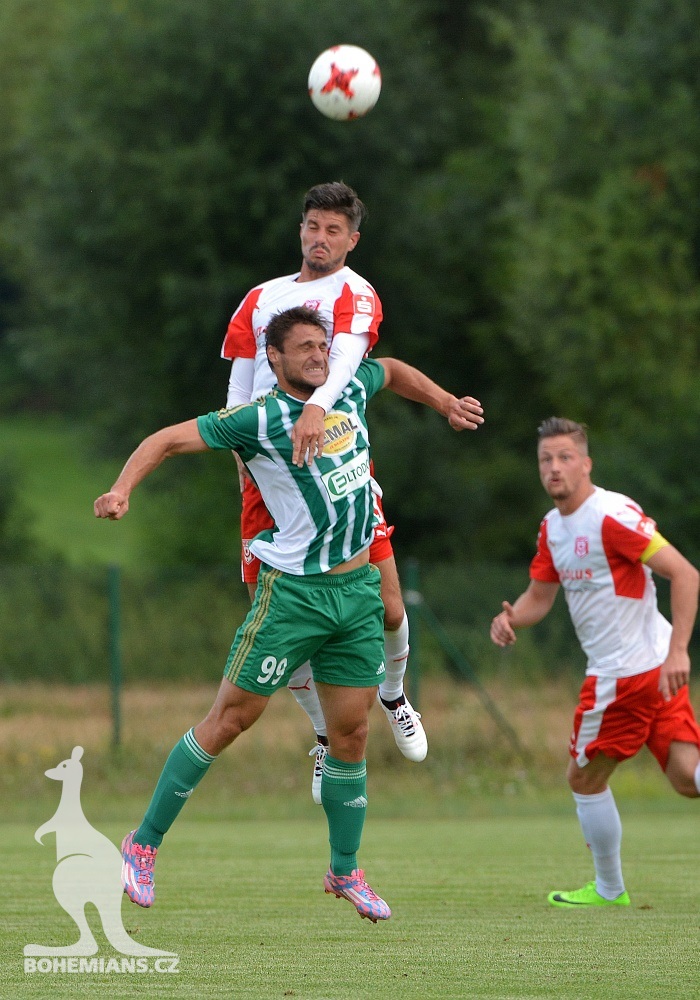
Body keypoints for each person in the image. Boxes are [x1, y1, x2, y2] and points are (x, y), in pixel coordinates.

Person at [95, 306, 484, 922]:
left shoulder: (347, 388)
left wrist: (443, 403)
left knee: (351, 734)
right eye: (303, 347)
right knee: (231, 719)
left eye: (322, 345)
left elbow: (391, 369)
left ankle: (345, 869)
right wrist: (122, 490)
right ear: (272, 358)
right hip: (295, 595)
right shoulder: (259, 418)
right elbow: (163, 441)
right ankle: (142, 843)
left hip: (356, 591)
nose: (318, 355)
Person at [222, 181, 426, 802]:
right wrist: (241, 456)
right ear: (301, 229)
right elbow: (240, 386)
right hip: (271, 479)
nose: (320, 238)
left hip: (339, 468)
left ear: (352, 239)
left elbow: (349, 365)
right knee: (279, 624)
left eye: (334, 229)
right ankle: (321, 736)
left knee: (390, 607)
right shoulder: (261, 298)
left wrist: (317, 410)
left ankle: (394, 696)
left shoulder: (354, 292)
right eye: (313, 225)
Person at [490, 416, 700, 908]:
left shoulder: (611, 516)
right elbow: (540, 596)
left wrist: (679, 651)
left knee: (583, 778)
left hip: (624, 675)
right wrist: (512, 619)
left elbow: (685, 574)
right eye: (546, 459)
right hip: (649, 668)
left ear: (586, 464)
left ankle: (609, 890)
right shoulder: (553, 528)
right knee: (686, 776)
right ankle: (609, 889)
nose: (554, 467)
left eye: (565, 457)